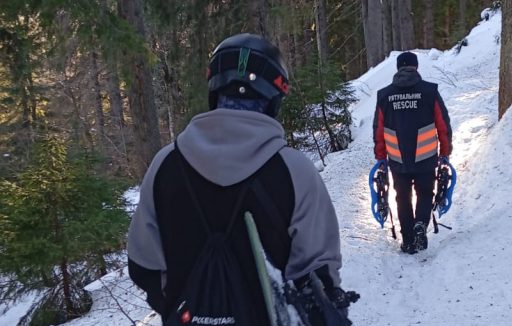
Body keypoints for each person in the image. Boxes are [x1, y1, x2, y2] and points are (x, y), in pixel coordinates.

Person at [127, 33, 353, 324]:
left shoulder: (166, 165)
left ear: (214, 89)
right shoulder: (294, 170)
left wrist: (180, 303)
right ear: (274, 96)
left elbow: (142, 265)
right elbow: (319, 276)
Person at [372, 51, 452, 254]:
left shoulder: (384, 95)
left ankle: (408, 240)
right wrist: (445, 152)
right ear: (416, 67)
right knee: (425, 193)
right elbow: (443, 124)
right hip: (426, 156)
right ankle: (420, 225)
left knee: (403, 197)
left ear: (398, 68)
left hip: (397, 158)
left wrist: (381, 157)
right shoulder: (429, 91)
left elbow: (378, 130)